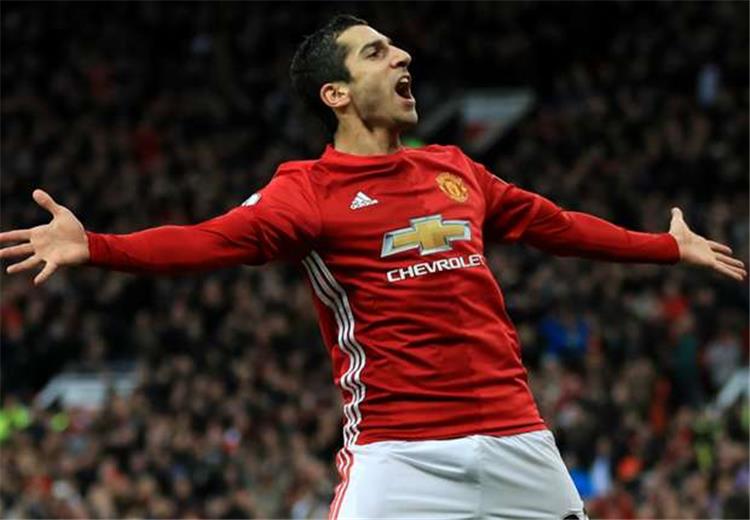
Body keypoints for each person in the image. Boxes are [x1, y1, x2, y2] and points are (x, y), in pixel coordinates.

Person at [0, 14, 745, 520]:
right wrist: (97, 245)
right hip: (398, 455)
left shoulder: (456, 170)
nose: (402, 57)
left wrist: (665, 246)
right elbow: (212, 240)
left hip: (519, 440)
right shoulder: (307, 191)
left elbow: (557, 226)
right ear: (337, 94)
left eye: (395, 48)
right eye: (376, 53)